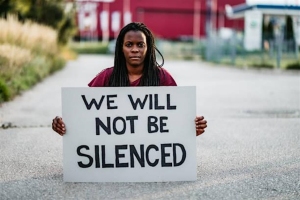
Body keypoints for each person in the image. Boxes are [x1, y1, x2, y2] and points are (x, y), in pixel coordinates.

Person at [52, 22, 207, 136]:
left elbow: (177, 116)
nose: (134, 49)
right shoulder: (107, 77)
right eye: (129, 44)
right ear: (121, 48)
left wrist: (192, 127)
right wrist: (64, 124)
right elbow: (84, 113)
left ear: (148, 48)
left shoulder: (163, 77)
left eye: (140, 45)